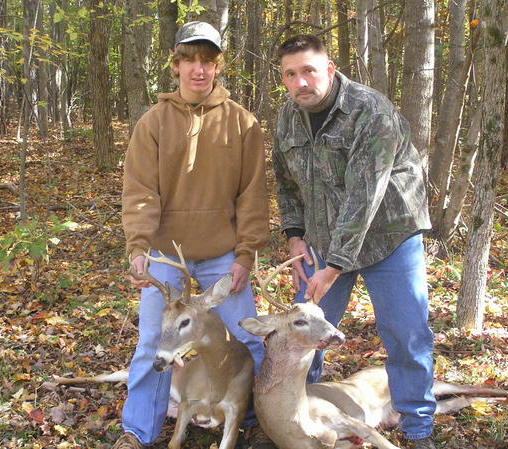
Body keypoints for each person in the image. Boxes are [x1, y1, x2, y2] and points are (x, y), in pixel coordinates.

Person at [272, 34, 438, 449]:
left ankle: (418, 426)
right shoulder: (287, 118)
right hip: (325, 238)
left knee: (406, 332)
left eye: (309, 70)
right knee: (301, 332)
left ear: (329, 69)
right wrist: (295, 236)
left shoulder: (370, 110)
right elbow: (286, 183)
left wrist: (333, 266)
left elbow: (366, 196)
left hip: (389, 237)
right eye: (290, 75)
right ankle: (295, 417)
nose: (301, 83)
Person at [117, 21, 274, 449]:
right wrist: (139, 249)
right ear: (176, 66)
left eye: (207, 60)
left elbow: (252, 196)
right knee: (155, 341)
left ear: (217, 66)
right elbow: (140, 193)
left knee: (246, 336)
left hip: (223, 254)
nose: (198, 70)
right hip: (166, 256)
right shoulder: (153, 122)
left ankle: (259, 422)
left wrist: (246, 256)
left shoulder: (242, 123)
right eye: (190, 60)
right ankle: (137, 432)